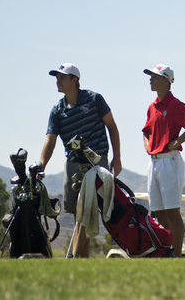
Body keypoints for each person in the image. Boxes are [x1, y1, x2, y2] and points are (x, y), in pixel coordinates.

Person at [39, 63, 121, 258]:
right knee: (78, 213)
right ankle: (82, 261)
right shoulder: (57, 109)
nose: (58, 81)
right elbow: (50, 139)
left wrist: (117, 157)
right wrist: (41, 166)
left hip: (96, 162)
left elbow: (112, 127)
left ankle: (74, 258)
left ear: (74, 80)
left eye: (62, 77)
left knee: (86, 210)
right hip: (73, 163)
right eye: (57, 78)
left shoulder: (94, 99)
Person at [142, 64, 185, 257]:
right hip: (154, 162)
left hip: (170, 162)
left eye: (155, 76)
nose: (151, 79)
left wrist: (178, 141)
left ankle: (176, 255)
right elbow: (146, 131)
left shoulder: (175, 105)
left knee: (172, 212)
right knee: (158, 211)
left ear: (166, 80)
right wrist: (147, 145)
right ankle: (165, 251)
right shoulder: (152, 107)